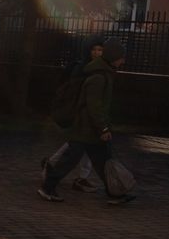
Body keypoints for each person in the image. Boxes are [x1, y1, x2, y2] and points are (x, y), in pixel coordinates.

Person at [40, 38, 133, 204]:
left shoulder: (102, 74)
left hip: (89, 129)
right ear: (113, 58)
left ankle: (115, 193)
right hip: (85, 129)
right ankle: (48, 187)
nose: (123, 60)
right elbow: (94, 107)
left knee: (102, 161)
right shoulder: (99, 77)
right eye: (121, 57)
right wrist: (103, 128)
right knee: (72, 160)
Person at [42, 38, 104, 193]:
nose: (96, 53)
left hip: (86, 113)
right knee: (77, 144)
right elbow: (77, 92)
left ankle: (76, 174)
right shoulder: (84, 68)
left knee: (82, 145)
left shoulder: (96, 68)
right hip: (80, 113)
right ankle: (56, 168)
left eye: (100, 50)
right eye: (94, 49)